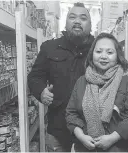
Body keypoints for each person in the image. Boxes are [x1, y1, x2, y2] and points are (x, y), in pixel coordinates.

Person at [27, 2, 94, 152]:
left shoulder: (99, 50)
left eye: (83, 18)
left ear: (90, 24)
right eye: (72, 17)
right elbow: (34, 77)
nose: (77, 21)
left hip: (91, 131)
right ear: (66, 22)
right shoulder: (49, 47)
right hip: (58, 129)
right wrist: (41, 91)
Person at [65, 32, 128, 152]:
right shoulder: (82, 81)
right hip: (84, 148)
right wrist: (81, 137)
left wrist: (112, 138)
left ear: (117, 56)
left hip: (117, 148)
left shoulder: (127, 82)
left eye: (109, 52)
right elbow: (71, 114)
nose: (103, 56)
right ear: (91, 55)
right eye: (99, 51)